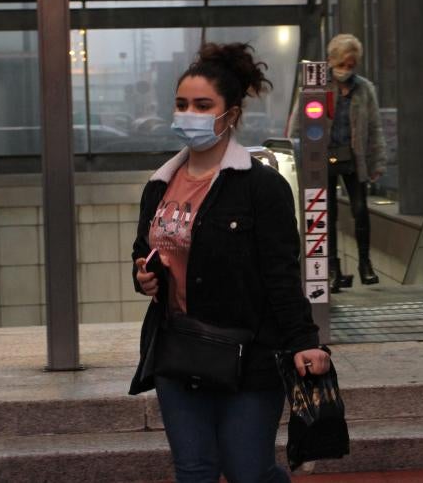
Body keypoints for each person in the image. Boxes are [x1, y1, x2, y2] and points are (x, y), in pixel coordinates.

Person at [128, 42, 330, 483]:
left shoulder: (262, 188)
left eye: (203, 105)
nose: (189, 114)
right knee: (195, 470)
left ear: (231, 114)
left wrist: (305, 340)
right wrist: (142, 275)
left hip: (250, 356)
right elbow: (143, 252)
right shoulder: (158, 185)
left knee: (248, 471)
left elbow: (281, 273)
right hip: (177, 350)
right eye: (182, 104)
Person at [289, 33, 387, 293]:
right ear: (331, 61)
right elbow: (298, 126)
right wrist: (297, 156)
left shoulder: (365, 89)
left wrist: (378, 162)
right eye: (342, 64)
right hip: (322, 159)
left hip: (354, 159)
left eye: (351, 65)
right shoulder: (317, 88)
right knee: (326, 213)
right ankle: (331, 266)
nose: (345, 70)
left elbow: (375, 128)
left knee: (360, 210)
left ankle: (365, 263)